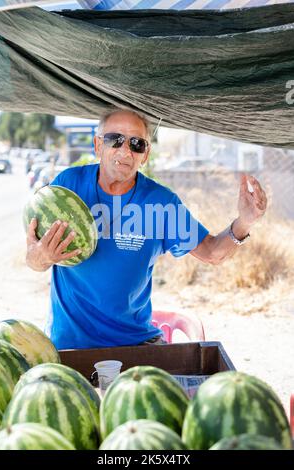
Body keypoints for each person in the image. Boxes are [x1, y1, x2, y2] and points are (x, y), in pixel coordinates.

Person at [26, 109, 267, 350]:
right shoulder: (69, 185)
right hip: (70, 344)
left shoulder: (160, 202)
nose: (125, 151)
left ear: (146, 154)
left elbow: (213, 252)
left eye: (137, 144)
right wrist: (42, 257)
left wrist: (244, 222)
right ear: (98, 145)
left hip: (135, 343)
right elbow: (33, 260)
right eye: (114, 139)